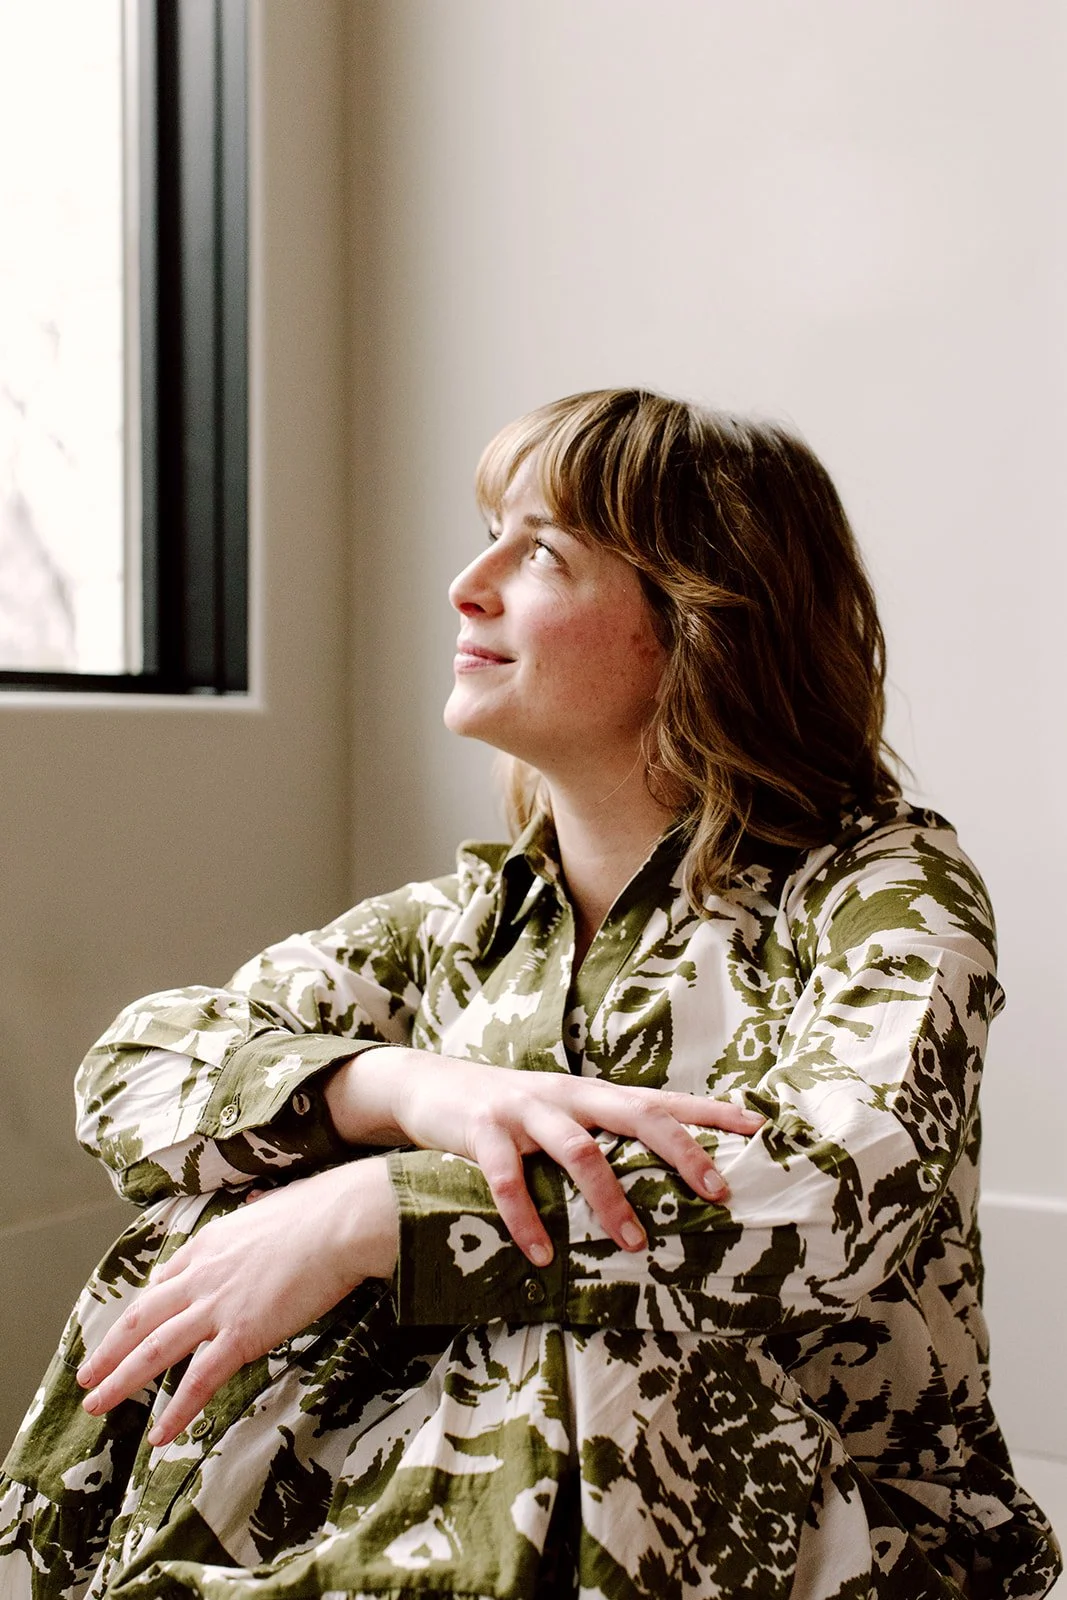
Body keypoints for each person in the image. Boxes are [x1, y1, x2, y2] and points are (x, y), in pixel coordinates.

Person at [0, 388, 1060, 1600]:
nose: (469, 580)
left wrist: (378, 1211)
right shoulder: (463, 922)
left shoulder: (877, 883)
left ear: (702, 621)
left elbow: (837, 1189)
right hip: (487, 1463)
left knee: (579, 1317)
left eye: (540, 550)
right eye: (487, 531)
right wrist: (406, 1088)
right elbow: (134, 1071)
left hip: (841, 1513)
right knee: (207, 1223)